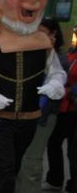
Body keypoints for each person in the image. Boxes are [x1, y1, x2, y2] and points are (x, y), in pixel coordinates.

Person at [0, 0, 66, 193]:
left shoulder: (44, 45)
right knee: (4, 169)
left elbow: (56, 73)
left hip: (30, 118)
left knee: (15, 166)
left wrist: (55, 85)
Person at [43, 21, 76, 192]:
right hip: (64, 107)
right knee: (55, 143)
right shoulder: (71, 53)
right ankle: (56, 179)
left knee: (72, 149)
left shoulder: (65, 56)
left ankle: (71, 182)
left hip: (71, 108)